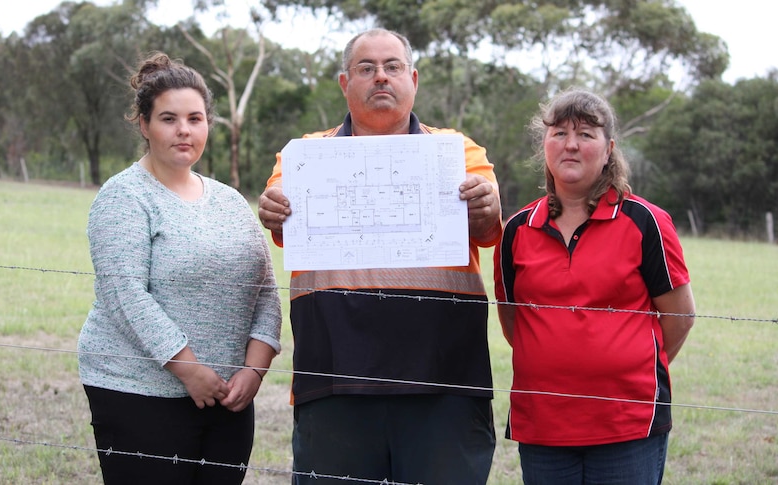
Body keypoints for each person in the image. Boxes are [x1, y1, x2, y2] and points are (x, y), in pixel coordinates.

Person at [258, 28, 501, 484]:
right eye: (366, 68)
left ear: (413, 78)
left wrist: (486, 206)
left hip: (444, 386)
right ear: (344, 83)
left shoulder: (458, 152)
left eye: (392, 67)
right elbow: (280, 211)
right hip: (334, 384)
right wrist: (272, 208)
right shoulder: (303, 157)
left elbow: (488, 225)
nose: (381, 78)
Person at [77, 51, 282, 485]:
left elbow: (264, 290)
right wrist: (189, 369)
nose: (184, 130)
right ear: (144, 125)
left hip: (227, 397)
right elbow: (125, 294)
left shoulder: (230, 202)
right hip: (137, 392)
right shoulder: (125, 197)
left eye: (195, 118)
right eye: (169, 119)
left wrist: (254, 370)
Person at [493, 88, 696, 485]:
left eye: (586, 134)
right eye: (559, 133)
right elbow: (513, 322)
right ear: (544, 145)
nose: (571, 144)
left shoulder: (647, 222)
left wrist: (624, 365)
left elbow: (680, 317)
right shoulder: (515, 230)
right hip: (543, 427)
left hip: (628, 425)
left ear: (608, 149)